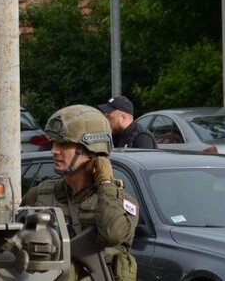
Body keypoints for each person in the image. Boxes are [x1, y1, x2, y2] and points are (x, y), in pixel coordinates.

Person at [23, 105, 139, 281]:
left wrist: (105, 183)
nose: (54, 150)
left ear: (90, 150)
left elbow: (112, 235)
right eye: (53, 143)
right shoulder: (39, 195)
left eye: (63, 144)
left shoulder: (119, 203)